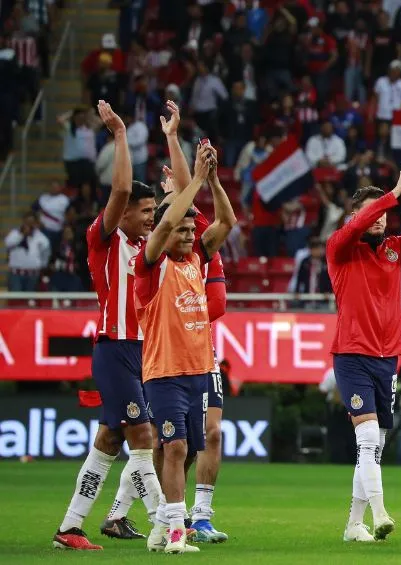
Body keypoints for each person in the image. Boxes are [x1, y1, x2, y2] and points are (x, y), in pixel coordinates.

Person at [53, 101, 162, 551]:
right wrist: (119, 135)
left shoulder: (147, 245)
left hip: (145, 351)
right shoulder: (107, 238)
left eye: (154, 210)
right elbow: (118, 193)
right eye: (145, 211)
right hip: (115, 348)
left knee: (109, 440)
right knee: (144, 436)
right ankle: (168, 521)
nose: (150, 216)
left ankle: (70, 528)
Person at [327, 156, 401, 543]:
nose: (379, 218)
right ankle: (379, 512)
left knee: (376, 444)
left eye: (383, 213)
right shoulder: (340, 247)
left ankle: (353, 524)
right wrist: (393, 193)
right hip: (352, 353)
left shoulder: (393, 249)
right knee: (369, 439)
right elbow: (357, 224)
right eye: (371, 212)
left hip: (388, 356)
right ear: (353, 216)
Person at [136, 141, 235, 554]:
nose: (190, 235)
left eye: (193, 231)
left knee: (187, 449)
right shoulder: (151, 265)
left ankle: (161, 523)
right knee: (173, 446)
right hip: (164, 372)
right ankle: (177, 532)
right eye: (183, 229)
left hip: (197, 371)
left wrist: (212, 181)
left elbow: (227, 222)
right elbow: (162, 227)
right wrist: (193, 179)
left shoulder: (195, 261)